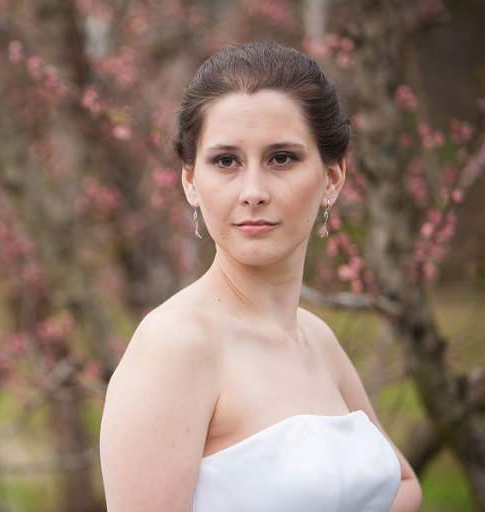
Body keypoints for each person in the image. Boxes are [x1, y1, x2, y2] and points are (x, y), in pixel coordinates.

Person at [99, 43, 422, 512]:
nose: (253, 192)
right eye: (226, 161)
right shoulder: (175, 345)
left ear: (332, 179)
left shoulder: (315, 336)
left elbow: (402, 484)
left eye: (282, 158)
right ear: (190, 181)